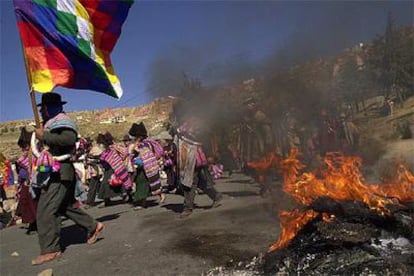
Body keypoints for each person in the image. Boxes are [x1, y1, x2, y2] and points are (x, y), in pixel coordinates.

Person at [32, 92, 103, 265]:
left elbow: (68, 139)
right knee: (65, 206)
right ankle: (92, 226)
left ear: (49, 108)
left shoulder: (63, 121)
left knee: (46, 209)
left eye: (43, 109)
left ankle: (51, 250)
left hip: (59, 171)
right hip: (57, 171)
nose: (41, 112)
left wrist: (44, 136)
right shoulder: (51, 123)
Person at [177, 120, 222, 218]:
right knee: (200, 181)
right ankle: (216, 196)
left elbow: (207, 139)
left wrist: (209, 154)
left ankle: (188, 207)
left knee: (189, 182)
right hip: (186, 157)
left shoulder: (199, 124)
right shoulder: (184, 126)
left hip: (196, 157)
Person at [128, 122, 165, 209]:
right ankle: (159, 195)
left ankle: (142, 203)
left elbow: (146, 155)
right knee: (145, 183)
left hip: (147, 167)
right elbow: (131, 154)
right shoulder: (135, 144)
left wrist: (137, 150)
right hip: (139, 167)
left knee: (143, 183)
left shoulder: (146, 144)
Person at [96, 132, 132, 207]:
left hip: (115, 167)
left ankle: (126, 195)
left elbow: (125, 152)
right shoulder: (104, 150)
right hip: (108, 168)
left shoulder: (114, 147)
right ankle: (107, 200)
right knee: (106, 184)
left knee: (118, 182)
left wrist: (121, 159)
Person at [14, 127, 38, 234]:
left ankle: (37, 224)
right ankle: (33, 224)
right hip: (26, 184)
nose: (24, 149)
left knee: (36, 205)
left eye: (26, 146)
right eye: (23, 147)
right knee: (27, 204)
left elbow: (42, 167)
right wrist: (19, 182)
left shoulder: (37, 155)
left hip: (36, 183)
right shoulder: (21, 160)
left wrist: (35, 171)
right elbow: (20, 174)